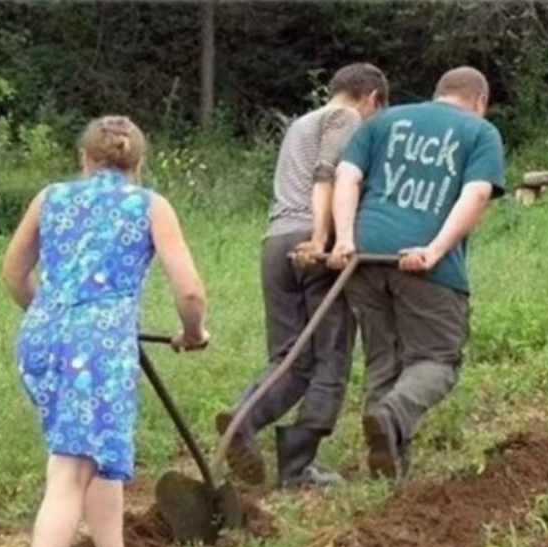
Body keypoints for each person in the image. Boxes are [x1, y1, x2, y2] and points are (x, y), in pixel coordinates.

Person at [1, 116, 209, 547]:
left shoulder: (51, 197)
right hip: (96, 350)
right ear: (138, 163)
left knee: (95, 448)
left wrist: (55, 318)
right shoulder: (149, 205)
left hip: (41, 339)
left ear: (84, 159)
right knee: (70, 469)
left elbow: (13, 272)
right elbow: (190, 291)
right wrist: (194, 333)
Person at [215, 63, 389, 489]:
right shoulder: (346, 118)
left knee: (289, 356)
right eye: (378, 110)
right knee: (330, 357)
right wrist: (321, 239)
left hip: (274, 241)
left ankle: (243, 418)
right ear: (370, 98)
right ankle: (297, 467)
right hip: (312, 243)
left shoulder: (300, 124)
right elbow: (327, 176)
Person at [330, 66, 506, 484]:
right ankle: (389, 418)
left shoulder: (384, 121)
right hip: (424, 264)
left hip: (365, 257)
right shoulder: (481, 133)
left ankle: (387, 475)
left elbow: (347, 176)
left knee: (383, 361)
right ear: (479, 101)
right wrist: (434, 250)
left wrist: (345, 239)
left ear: (438, 93)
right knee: (438, 359)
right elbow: (476, 192)